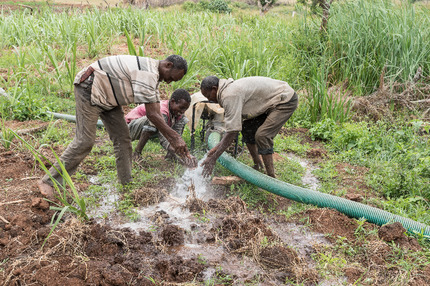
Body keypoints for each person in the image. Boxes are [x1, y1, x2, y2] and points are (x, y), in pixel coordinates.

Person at [38, 54, 196, 197]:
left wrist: (174, 140)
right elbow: (153, 115)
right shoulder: (148, 73)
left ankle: (126, 186)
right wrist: (175, 138)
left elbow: (154, 111)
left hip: (109, 98)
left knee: (123, 140)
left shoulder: (153, 76)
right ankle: (49, 181)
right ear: (168, 65)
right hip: (90, 88)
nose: (169, 82)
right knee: (84, 141)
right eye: (171, 78)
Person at [200, 75, 298, 178]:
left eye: (208, 96)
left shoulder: (229, 95)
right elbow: (234, 127)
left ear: (214, 89)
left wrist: (213, 158)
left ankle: (271, 179)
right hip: (271, 101)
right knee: (247, 128)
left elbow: (232, 132)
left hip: (285, 100)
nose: (209, 100)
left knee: (262, 136)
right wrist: (216, 148)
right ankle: (258, 165)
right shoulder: (227, 90)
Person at [126, 88, 196, 165]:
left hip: (142, 129)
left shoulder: (179, 115)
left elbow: (176, 137)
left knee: (182, 120)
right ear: (172, 101)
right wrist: (183, 155)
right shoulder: (162, 110)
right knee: (154, 119)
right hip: (128, 129)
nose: (183, 111)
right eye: (181, 108)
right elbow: (164, 137)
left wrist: (183, 152)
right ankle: (137, 153)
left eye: (185, 109)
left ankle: (170, 155)